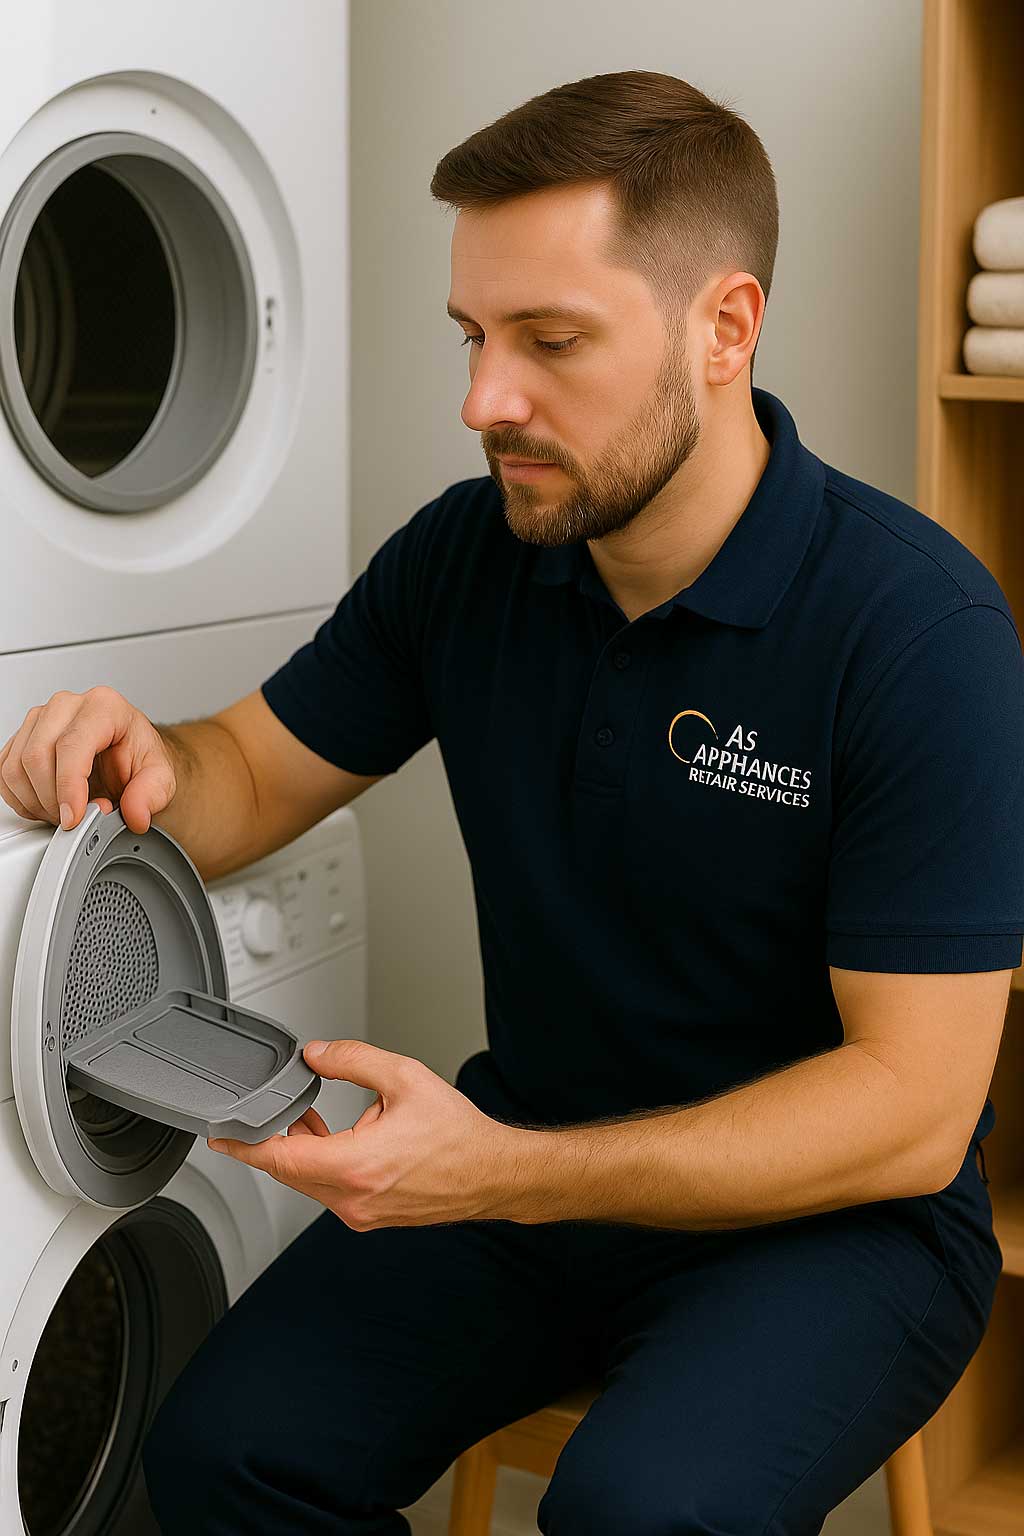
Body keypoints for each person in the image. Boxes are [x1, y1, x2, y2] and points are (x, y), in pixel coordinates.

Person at [3, 70, 1021, 1536]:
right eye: (475, 337)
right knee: (220, 1452)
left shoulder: (916, 629)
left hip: (837, 1228)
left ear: (724, 328)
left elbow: (913, 1116)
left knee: (635, 1515)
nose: (485, 400)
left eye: (551, 342)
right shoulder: (470, 557)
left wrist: (507, 1173)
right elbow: (246, 770)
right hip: (528, 1177)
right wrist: (137, 757)